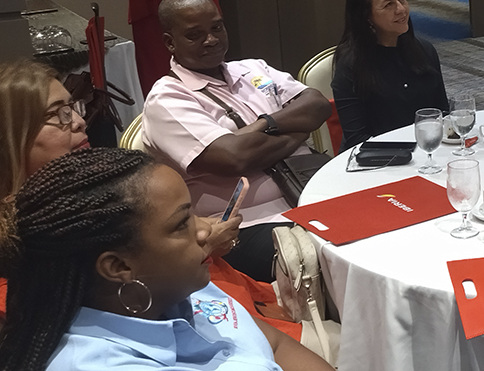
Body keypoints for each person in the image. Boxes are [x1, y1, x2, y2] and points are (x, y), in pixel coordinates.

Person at [0, 59, 303, 341]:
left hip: (238, 309)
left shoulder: (93, 188)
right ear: (9, 138)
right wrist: (201, 245)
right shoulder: (25, 254)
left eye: (72, 107)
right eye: (58, 115)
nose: (80, 121)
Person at [0, 148, 332, 371]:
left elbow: (273, 343)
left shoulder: (172, 286)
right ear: (119, 267)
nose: (205, 230)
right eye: (182, 223)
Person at [142, 0, 332, 282]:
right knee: (332, 253)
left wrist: (261, 126)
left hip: (310, 192)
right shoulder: (167, 99)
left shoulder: (253, 68)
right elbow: (234, 158)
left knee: (381, 224)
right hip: (244, 224)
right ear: (170, 42)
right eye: (195, 35)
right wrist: (299, 129)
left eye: (217, 27)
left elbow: (318, 105)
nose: (211, 39)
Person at [333, 0, 450, 149]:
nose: (401, 9)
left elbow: (442, 113)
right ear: (366, 16)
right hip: (377, 156)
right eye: (388, 4)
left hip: (426, 150)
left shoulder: (424, 50)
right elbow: (357, 139)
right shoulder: (351, 64)